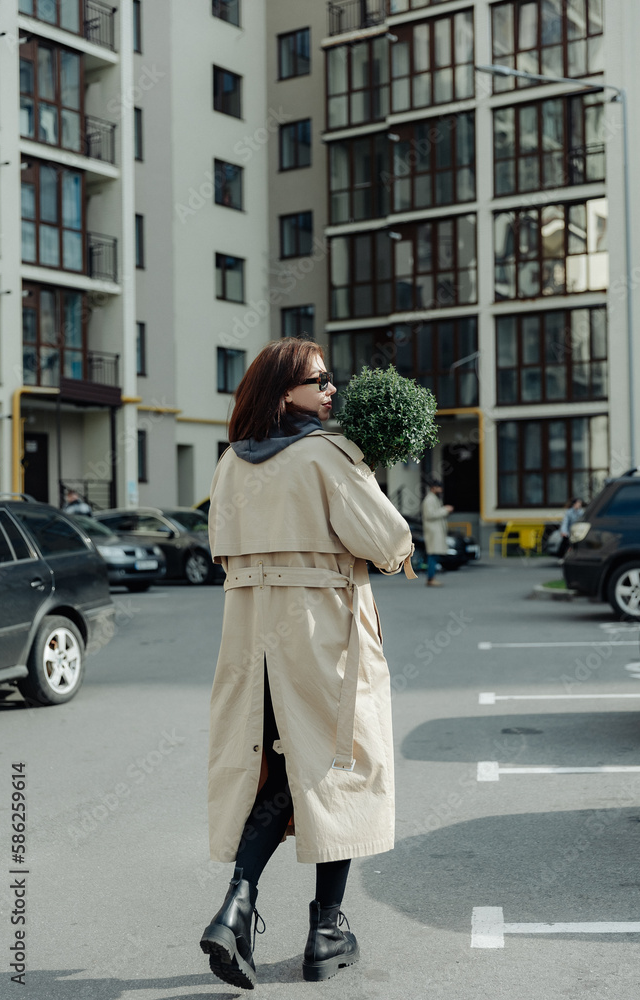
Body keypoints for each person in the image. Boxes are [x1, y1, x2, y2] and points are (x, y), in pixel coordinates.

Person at [200, 339, 414, 990]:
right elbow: (387, 540)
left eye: (330, 380)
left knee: (273, 770)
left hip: (249, 638)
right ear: (281, 390)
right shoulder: (328, 455)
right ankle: (326, 930)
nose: (330, 390)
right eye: (317, 381)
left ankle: (236, 904)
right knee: (338, 766)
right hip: (321, 633)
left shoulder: (231, 463)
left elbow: (219, 549)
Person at [421, 479, 454, 587]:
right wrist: (445, 510)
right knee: (433, 555)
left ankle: (431, 577)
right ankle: (431, 578)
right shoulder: (429, 499)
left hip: (435, 531)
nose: (440, 490)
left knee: (434, 554)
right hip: (433, 532)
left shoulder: (433, 498)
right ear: (433, 488)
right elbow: (430, 515)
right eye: (438, 487)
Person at [557, 497, 584, 562]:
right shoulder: (569, 512)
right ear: (574, 504)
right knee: (565, 542)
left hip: (578, 532)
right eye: (578, 503)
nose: (580, 505)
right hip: (570, 531)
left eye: (580, 503)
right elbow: (565, 522)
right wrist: (564, 531)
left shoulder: (581, 512)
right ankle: (562, 557)